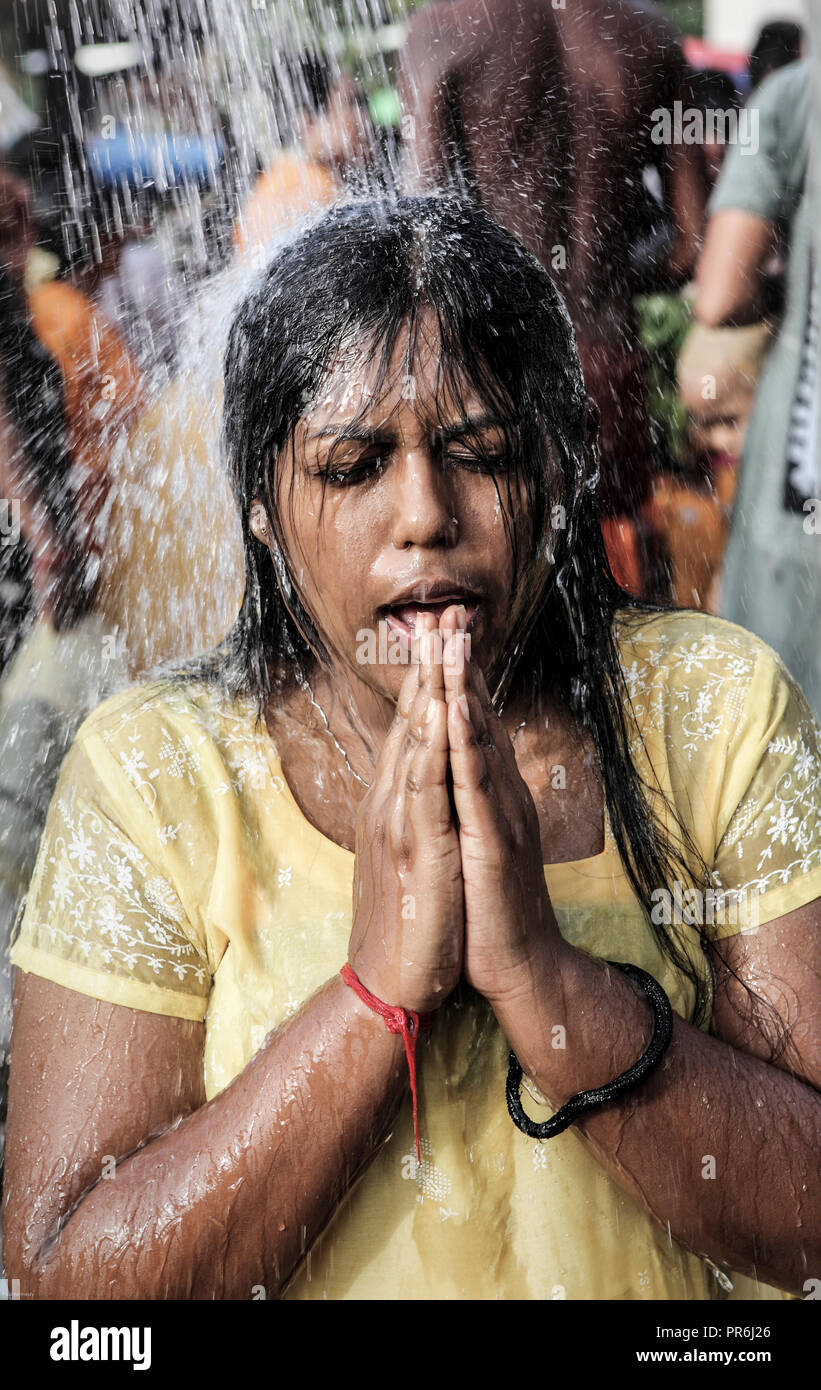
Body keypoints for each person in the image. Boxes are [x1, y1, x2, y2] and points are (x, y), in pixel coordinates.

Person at [3, 199, 819, 1302]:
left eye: (479, 453)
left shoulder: (707, 708)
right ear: (256, 505)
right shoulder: (158, 771)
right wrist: (375, 997)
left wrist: (546, 980)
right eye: (350, 467)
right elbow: (66, 1294)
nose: (424, 514)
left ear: (558, 469)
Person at [400, 0, 708, 593]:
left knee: (498, 598)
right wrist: (603, 276)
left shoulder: (440, 31)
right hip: (608, 366)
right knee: (625, 606)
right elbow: (691, 246)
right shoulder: (647, 35)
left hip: (496, 373)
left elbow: (425, 238)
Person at [693, 60, 821, 721]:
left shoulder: (800, 96)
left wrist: (791, 289)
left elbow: (718, 293)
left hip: (800, 504)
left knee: (780, 739)